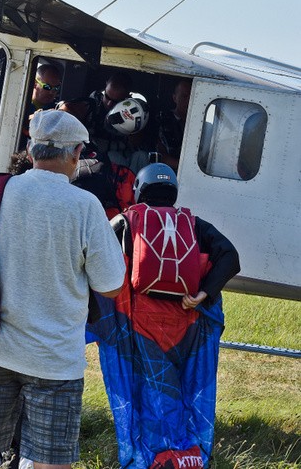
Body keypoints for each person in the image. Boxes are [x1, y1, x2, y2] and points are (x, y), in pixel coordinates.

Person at [0, 109, 125, 469]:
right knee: (50, 463)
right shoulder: (85, 207)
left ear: (31, 152)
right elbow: (111, 286)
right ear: (76, 153)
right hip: (54, 361)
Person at [87, 162, 240, 469]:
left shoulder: (125, 221)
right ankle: (186, 454)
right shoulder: (195, 224)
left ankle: (151, 458)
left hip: (138, 326)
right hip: (187, 324)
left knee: (148, 395)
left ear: (139, 190)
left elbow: (93, 255)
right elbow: (230, 257)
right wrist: (204, 294)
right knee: (179, 391)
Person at [156, 78, 192, 171]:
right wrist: (184, 166)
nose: (189, 101)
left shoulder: (200, 124)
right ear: (174, 98)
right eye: (184, 96)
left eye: (192, 97)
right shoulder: (162, 121)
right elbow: (160, 155)